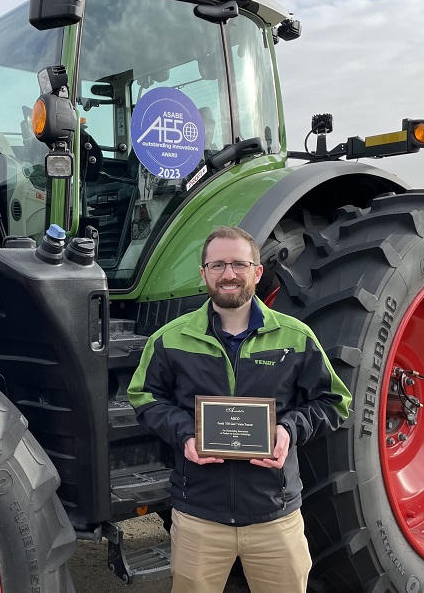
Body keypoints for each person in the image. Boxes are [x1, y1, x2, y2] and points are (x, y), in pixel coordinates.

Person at [127, 226, 351, 593]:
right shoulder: (170, 340)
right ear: (204, 274)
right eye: (217, 265)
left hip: (274, 517)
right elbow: (145, 398)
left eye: (238, 264)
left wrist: (288, 430)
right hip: (199, 517)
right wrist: (185, 435)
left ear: (257, 272)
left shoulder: (295, 337)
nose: (228, 274)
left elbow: (334, 401)